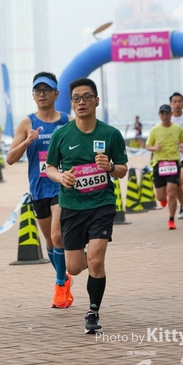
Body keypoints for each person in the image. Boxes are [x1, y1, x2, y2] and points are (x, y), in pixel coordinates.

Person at [45, 78, 128, 334]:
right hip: (71, 206)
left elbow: (122, 170)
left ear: (96, 100)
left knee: (96, 260)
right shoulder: (61, 135)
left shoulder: (111, 134)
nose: (81, 102)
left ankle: (93, 311)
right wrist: (61, 177)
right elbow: (49, 167)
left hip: (102, 204)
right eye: (76, 98)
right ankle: (79, 263)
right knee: (74, 267)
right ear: (71, 103)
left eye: (87, 97)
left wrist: (110, 167)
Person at [6, 72, 72, 308]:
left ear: (56, 94)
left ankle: (60, 285)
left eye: (46, 90)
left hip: (61, 186)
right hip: (39, 188)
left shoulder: (67, 121)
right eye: (37, 90)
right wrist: (27, 141)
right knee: (50, 242)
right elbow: (10, 158)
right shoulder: (27, 123)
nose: (42, 94)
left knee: (58, 235)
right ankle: (64, 276)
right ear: (33, 95)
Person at [145, 104, 183, 230]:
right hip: (159, 164)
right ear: (159, 115)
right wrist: (155, 148)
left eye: (167, 114)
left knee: (172, 192)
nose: (165, 116)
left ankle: (171, 219)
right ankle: (163, 200)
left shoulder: (177, 128)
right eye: (162, 114)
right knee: (160, 196)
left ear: (171, 114)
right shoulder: (154, 130)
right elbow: (148, 146)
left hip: (173, 163)